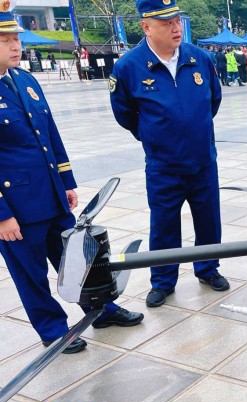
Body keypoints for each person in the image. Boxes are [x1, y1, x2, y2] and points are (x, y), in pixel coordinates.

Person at [0, 7, 142, 353]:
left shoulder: (25, 81)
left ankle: (102, 309)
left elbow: (49, 134)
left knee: (78, 258)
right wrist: (2, 215)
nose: (16, 46)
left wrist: (65, 181)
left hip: (50, 195)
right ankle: (53, 330)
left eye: (16, 38)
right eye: (5, 40)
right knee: (31, 274)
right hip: (16, 207)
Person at [109, 0, 229, 308]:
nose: (176, 28)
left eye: (176, 21)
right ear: (146, 27)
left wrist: (194, 130)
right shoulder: (128, 67)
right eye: (166, 23)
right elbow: (124, 113)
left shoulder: (200, 59)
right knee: (163, 226)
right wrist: (154, 135)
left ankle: (208, 268)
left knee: (208, 220)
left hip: (202, 161)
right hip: (163, 166)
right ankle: (163, 281)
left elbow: (213, 101)